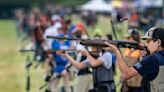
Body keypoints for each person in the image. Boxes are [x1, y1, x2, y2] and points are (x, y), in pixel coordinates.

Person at [104, 27, 164, 92]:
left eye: (149, 41)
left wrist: (116, 50)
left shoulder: (152, 59)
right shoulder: (155, 57)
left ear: (158, 42)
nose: (146, 44)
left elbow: (126, 73)